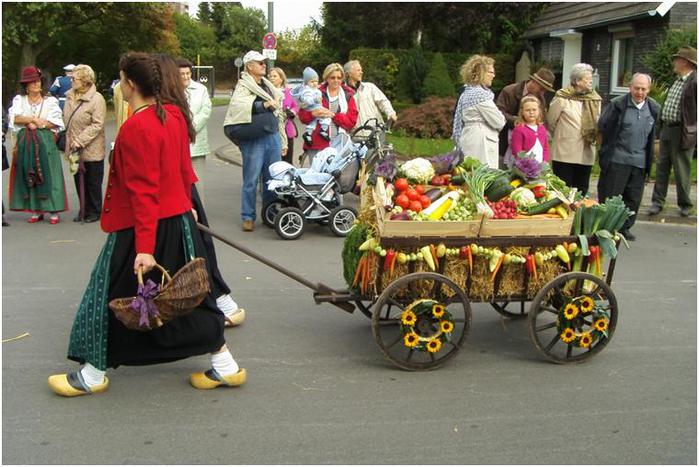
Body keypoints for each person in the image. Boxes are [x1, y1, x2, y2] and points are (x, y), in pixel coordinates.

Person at [48, 52, 246, 397]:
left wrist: (143, 248)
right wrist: (187, 208)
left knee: (112, 296)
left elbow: (143, 192)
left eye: (121, 79)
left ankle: (93, 375)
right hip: (176, 221)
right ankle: (226, 365)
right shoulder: (173, 114)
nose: (118, 85)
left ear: (131, 84)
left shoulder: (137, 126)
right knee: (187, 296)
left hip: (145, 227)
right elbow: (182, 169)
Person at [157, 54, 244, 327]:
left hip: (178, 192)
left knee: (194, 250)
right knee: (192, 251)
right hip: (178, 192)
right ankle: (219, 303)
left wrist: (186, 202)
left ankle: (220, 304)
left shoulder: (171, 112)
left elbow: (174, 162)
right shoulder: (168, 109)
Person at [223, 50, 284, 232]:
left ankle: (270, 213)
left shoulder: (266, 85)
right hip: (254, 139)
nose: (263, 65)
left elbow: (278, 110)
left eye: (264, 62)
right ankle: (248, 216)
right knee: (251, 178)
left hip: (272, 136)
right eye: (259, 63)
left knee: (273, 178)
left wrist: (283, 140)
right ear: (249, 66)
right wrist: (262, 105)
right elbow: (238, 107)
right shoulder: (243, 86)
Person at [597, 73, 660, 241]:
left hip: (639, 162)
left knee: (633, 198)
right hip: (617, 159)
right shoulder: (618, 105)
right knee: (612, 196)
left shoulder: (653, 108)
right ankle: (607, 228)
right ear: (630, 87)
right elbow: (603, 126)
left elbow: (653, 134)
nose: (639, 92)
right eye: (636, 88)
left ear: (648, 89)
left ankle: (625, 228)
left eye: (643, 89)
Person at [8, 66, 67, 224]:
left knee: (49, 174)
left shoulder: (50, 101)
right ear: (26, 85)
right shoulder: (19, 100)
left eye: (38, 81)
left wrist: (40, 125)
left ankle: (53, 210)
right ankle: (36, 210)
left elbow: (56, 123)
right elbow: (14, 118)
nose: (36, 84)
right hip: (26, 141)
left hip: (46, 142)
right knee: (29, 173)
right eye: (32, 82)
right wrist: (32, 120)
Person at [649, 47, 697, 217]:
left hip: (682, 131)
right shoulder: (677, 80)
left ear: (685, 62)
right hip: (668, 129)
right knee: (662, 166)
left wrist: (693, 129)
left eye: (677, 59)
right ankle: (657, 202)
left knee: (681, 168)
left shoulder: (695, 82)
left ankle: (685, 204)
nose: (674, 62)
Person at [547, 63, 602, 196]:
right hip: (564, 153)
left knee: (582, 190)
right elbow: (551, 121)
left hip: (586, 152)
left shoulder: (595, 99)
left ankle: (578, 216)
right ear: (577, 81)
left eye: (591, 79)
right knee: (563, 191)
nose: (590, 82)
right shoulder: (562, 97)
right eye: (587, 79)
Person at [63, 64, 106, 223]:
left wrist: (80, 141)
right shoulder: (69, 96)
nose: (71, 81)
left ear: (85, 81)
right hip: (74, 147)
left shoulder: (97, 99)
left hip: (91, 148)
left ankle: (94, 211)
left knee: (92, 182)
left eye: (74, 78)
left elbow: (97, 124)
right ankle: (84, 209)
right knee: (77, 178)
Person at [298, 63, 358, 165]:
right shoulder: (314, 92)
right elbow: (302, 117)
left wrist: (334, 115)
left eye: (339, 78)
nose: (336, 80)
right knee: (316, 176)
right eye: (332, 77)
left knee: (336, 177)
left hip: (339, 144)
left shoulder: (348, 95)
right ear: (326, 78)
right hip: (317, 143)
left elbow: (351, 122)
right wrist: (313, 113)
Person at [452, 54, 506, 168]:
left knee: (470, 172)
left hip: (470, 136)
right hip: (481, 140)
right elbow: (499, 121)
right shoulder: (480, 96)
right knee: (483, 176)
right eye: (491, 72)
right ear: (481, 73)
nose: (494, 75)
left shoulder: (467, 93)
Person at [496, 67, 555, 166]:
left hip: (531, 148)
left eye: (545, 90)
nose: (542, 92)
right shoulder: (509, 91)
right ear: (534, 81)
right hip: (505, 142)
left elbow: (542, 121)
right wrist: (516, 120)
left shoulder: (540, 98)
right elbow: (498, 113)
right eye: (541, 88)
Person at [176, 58, 212, 198]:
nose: (185, 77)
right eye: (182, 74)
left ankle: (199, 217)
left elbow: (206, 111)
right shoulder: (171, 90)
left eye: (188, 73)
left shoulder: (200, 89)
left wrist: (189, 128)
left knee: (197, 184)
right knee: (178, 184)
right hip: (177, 144)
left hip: (196, 144)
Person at [344, 59, 397, 139]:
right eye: (358, 70)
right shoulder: (342, 93)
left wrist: (391, 114)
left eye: (361, 70)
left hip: (376, 134)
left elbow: (383, 102)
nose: (361, 72)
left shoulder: (370, 87)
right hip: (356, 137)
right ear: (349, 73)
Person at [292, 67, 331, 144]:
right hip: (312, 109)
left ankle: (316, 132)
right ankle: (315, 132)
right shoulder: (307, 91)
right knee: (319, 120)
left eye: (316, 81)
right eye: (312, 81)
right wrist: (315, 99)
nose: (314, 83)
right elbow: (308, 101)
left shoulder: (316, 90)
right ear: (307, 83)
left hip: (317, 107)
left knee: (320, 120)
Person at [268, 66, 298, 165]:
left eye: (274, 76)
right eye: (270, 76)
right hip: (272, 129)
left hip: (287, 129)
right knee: (273, 160)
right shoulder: (267, 92)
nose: (271, 78)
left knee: (287, 160)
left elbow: (295, 105)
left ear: (281, 78)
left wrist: (292, 112)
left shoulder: (288, 92)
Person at [508, 95, 550, 163]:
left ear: (539, 110)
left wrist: (545, 162)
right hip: (525, 167)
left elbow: (545, 148)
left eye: (534, 109)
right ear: (522, 112)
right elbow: (517, 151)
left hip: (540, 166)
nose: (531, 112)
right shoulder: (519, 129)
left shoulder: (542, 128)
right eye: (528, 110)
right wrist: (527, 164)